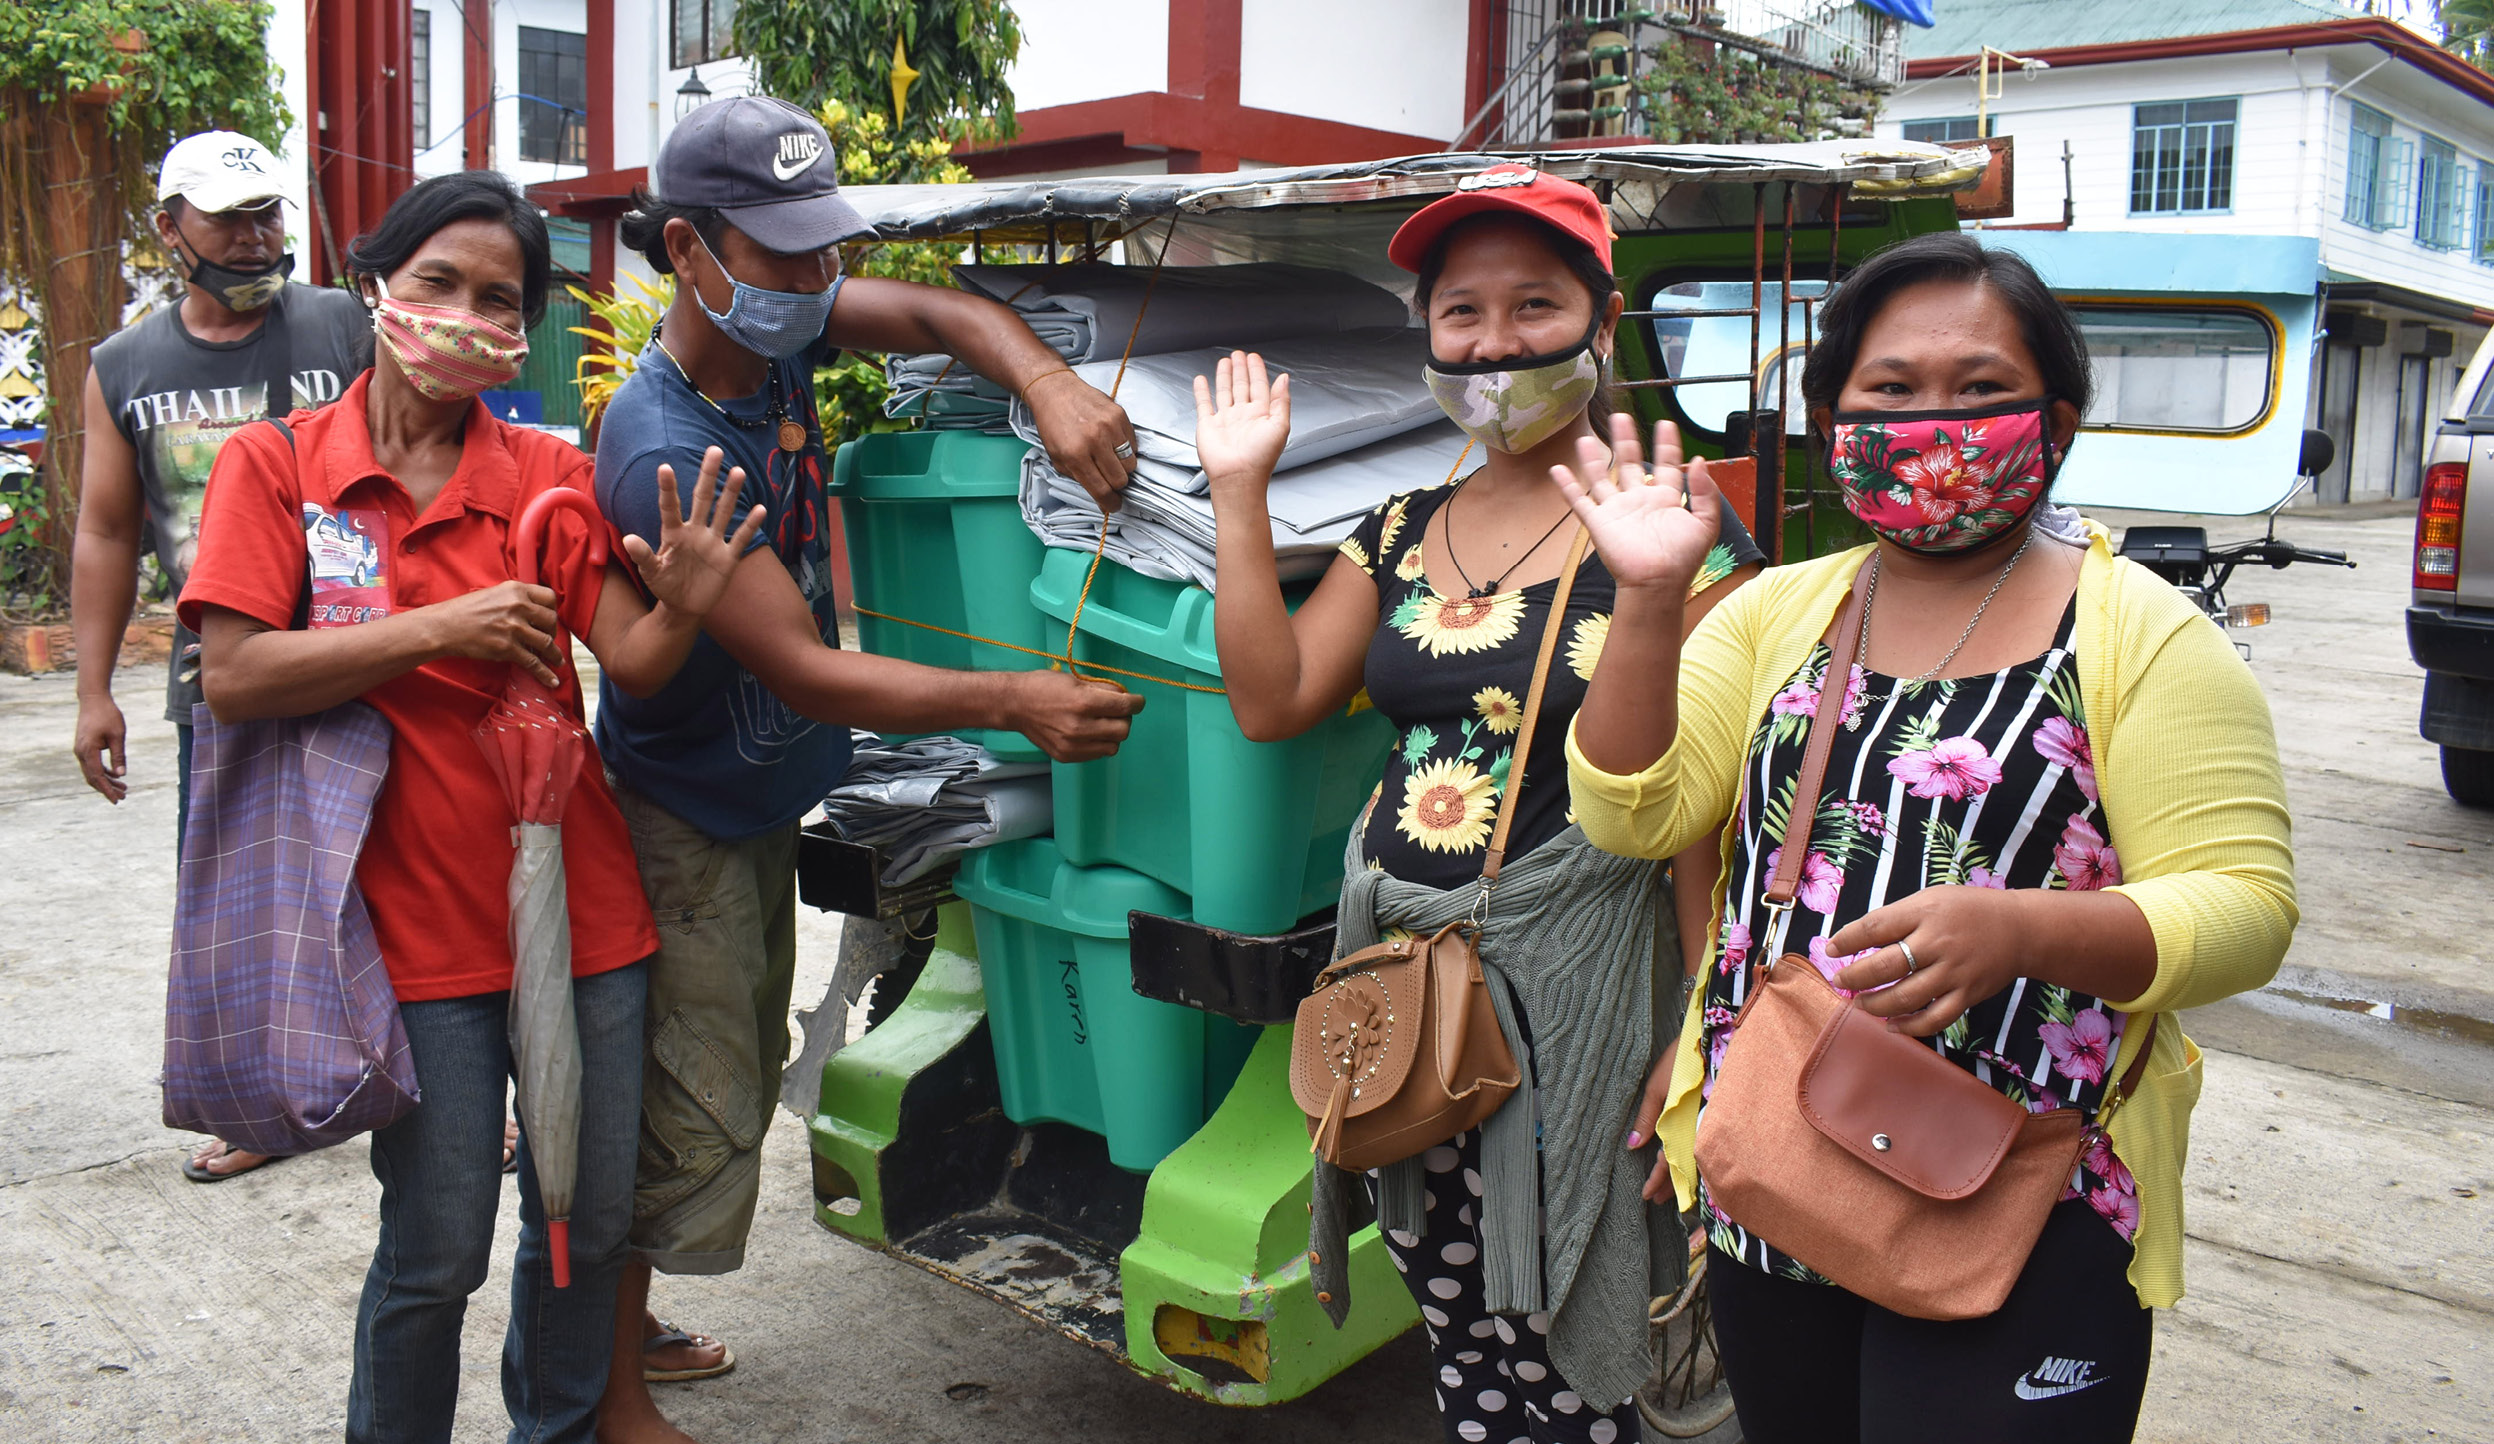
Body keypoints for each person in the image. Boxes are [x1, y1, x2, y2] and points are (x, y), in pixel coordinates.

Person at [1562, 231, 2298, 1442]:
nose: (1931, 421)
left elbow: (2245, 907)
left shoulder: (2143, 636)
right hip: (1785, 1163)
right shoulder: (1777, 610)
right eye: (1890, 391)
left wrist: (2022, 927)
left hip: (2027, 1191)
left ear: (2055, 419)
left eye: (1979, 391)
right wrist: (1646, 599)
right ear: (1826, 414)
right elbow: (1630, 808)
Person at [585, 96, 1143, 1443]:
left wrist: (1050, 381)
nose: (814, 278)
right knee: (682, 1097)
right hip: (681, 819)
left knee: (705, 1070)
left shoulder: (774, 328)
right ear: (689, 251)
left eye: (821, 249)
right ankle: (600, 1391)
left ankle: (624, 1328)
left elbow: (953, 316)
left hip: (756, 799)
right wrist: (1016, 699)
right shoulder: (664, 443)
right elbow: (806, 669)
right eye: (778, 255)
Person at [180, 169, 760, 1444]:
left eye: (499, 298)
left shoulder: (546, 472)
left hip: (586, 920)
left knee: (582, 1226)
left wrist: (688, 603)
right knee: (435, 1246)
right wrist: (440, 623)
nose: (463, 315)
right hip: (414, 933)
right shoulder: (277, 470)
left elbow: (637, 660)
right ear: (376, 285)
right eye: (437, 280)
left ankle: (552, 1428)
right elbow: (234, 674)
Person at [1189, 165, 1764, 1444]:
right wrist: (1238, 493)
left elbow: (1707, 807)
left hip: (1585, 997)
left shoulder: (1679, 529)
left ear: (1601, 324)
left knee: (1571, 1311)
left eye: (1533, 306)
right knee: (1456, 1307)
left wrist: (1705, 1021)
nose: (1494, 344)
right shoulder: (1398, 529)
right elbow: (1273, 699)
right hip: (1411, 983)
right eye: (1461, 315)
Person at [71, 130, 372, 1183]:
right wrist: (93, 689)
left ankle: (463, 1090)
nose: (255, 240)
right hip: (224, 684)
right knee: (246, 904)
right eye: (228, 220)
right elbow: (108, 530)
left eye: (268, 215)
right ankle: (262, 1104)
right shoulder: (127, 367)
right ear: (170, 230)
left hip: (366, 660)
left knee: (405, 876)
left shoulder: (343, 321)